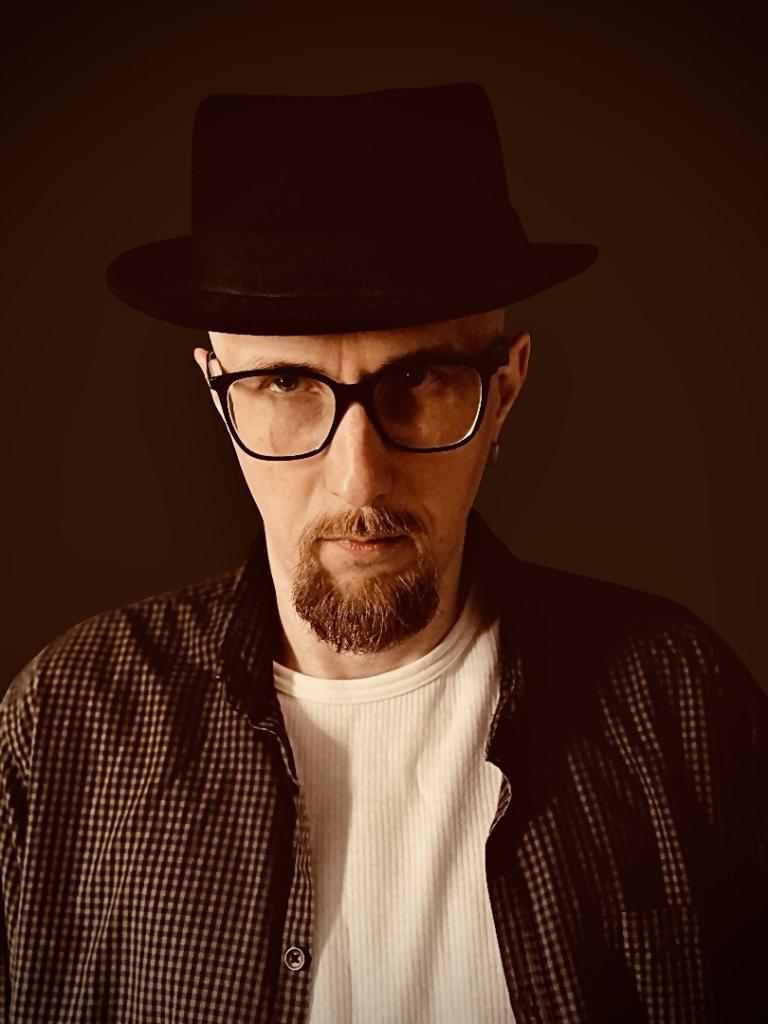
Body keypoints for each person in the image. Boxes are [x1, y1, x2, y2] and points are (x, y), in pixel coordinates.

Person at [0, 83, 765, 1024]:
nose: (359, 480)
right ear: (219, 397)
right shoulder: (63, 723)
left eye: (421, 382)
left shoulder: (681, 705)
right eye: (287, 384)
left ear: (506, 390)